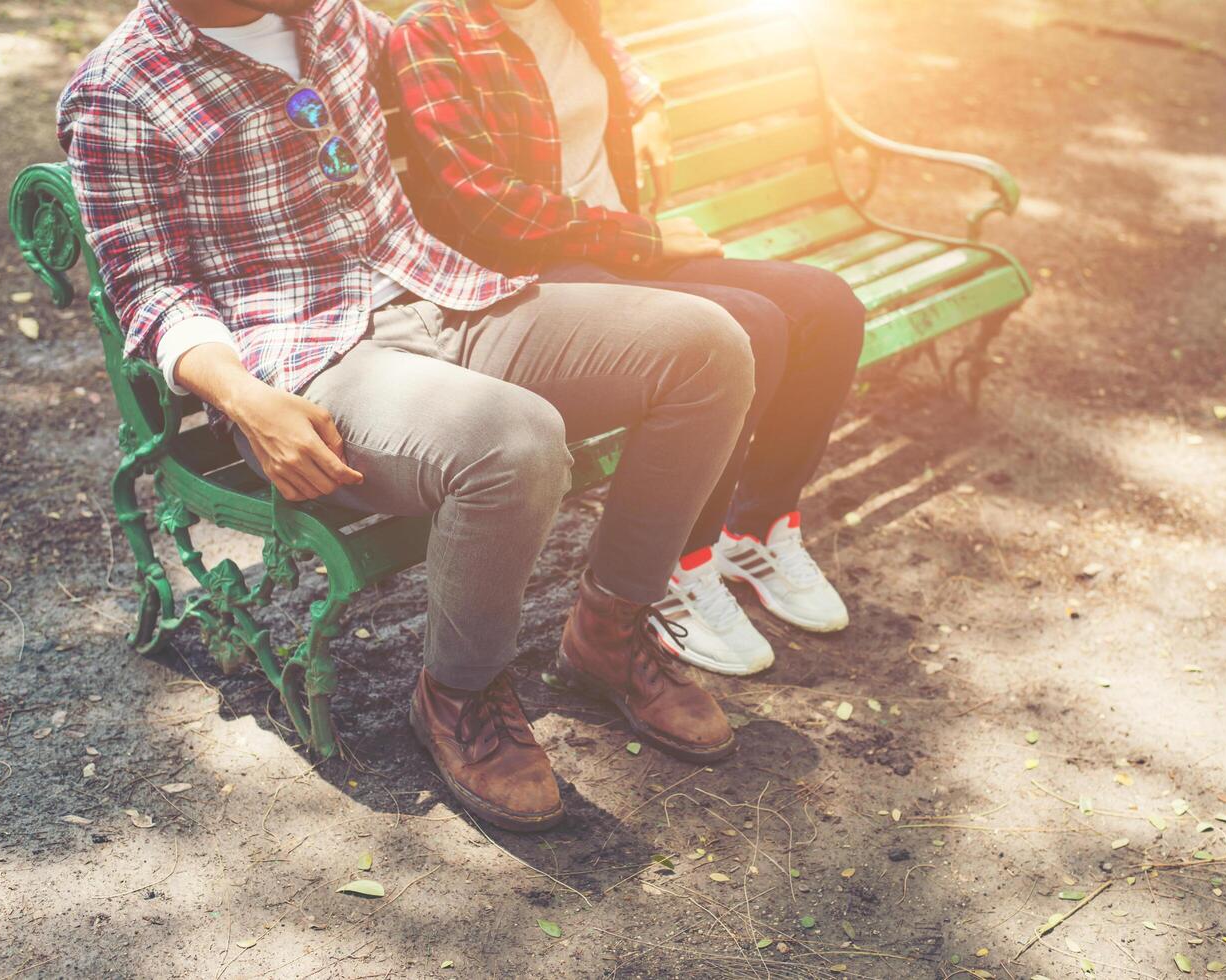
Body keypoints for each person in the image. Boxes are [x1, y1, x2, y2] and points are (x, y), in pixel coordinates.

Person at [58, 0, 761, 833]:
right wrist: (244, 402)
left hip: (442, 292)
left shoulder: (336, 18)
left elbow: (465, 30)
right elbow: (154, 290)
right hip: (305, 365)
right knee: (514, 441)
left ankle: (608, 630)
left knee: (708, 344)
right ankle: (457, 695)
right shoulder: (118, 89)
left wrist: (635, 89)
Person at [388, 0, 867, 678]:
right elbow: (486, 202)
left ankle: (755, 527)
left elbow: (620, 66)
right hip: (538, 271)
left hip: (622, 246)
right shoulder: (431, 33)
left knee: (828, 305)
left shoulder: (571, 13)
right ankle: (680, 562)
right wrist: (640, 235)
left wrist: (648, 106)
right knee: (749, 326)